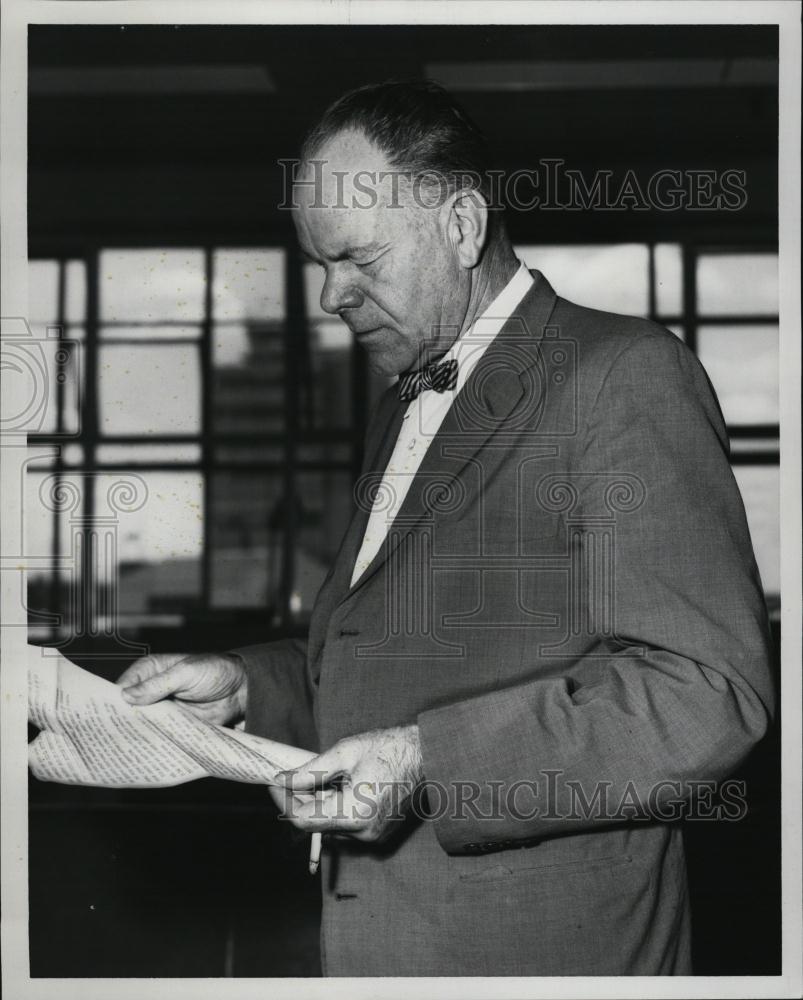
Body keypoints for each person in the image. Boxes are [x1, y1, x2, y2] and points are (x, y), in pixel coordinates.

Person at [117, 80, 775, 976]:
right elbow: (389, 668)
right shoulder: (403, 404)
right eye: (318, 262)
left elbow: (705, 694)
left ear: (462, 226)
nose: (329, 295)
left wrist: (429, 760)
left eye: (358, 259)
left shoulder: (623, 376)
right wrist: (246, 688)